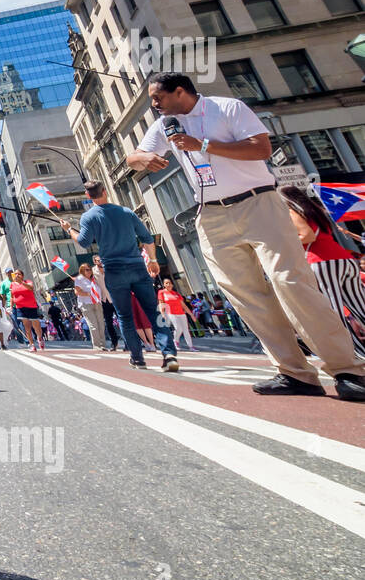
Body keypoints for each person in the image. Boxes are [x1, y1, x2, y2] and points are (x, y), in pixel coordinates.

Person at [129, 72, 365, 400]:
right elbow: (131, 158)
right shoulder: (164, 125)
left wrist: (204, 145)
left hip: (258, 202)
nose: (154, 105)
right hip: (210, 213)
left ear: (180, 91)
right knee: (246, 296)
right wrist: (144, 158)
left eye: (158, 98)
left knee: (290, 281)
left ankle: (347, 370)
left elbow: (261, 148)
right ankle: (295, 373)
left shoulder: (227, 108)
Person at [61, 181, 178, 371]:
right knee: (154, 312)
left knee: (125, 316)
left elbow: (83, 241)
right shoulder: (126, 212)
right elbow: (147, 238)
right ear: (105, 191)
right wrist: (153, 260)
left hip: (114, 271)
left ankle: (137, 357)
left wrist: (69, 229)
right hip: (137, 267)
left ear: (87, 195)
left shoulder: (88, 217)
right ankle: (169, 353)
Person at [282, 184, 365, 359]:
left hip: (321, 261)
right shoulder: (315, 210)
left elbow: (307, 235)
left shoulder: (292, 211)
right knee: (360, 306)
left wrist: (283, 244)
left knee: (334, 312)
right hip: (345, 259)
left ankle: (354, 354)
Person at [72, 263, 105, 351]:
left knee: (101, 324)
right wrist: (88, 294)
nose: (89, 271)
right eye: (87, 269)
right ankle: (97, 345)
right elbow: (77, 292)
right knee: (93, 324)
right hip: (86, 304)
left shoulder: (93, 278)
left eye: (90, 269)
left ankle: (103, 344)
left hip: (97, 303)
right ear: (82, 271)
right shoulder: (79, 279)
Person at [9, 270, 45, 352]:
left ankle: (40, 338)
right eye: (15, 274)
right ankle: (32, 344)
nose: (17, 275)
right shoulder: (12, 285)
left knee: (36, 326)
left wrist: (21, 282)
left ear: (22, 275)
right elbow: (12, 296)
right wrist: (11, 306)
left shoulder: (27, 282)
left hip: (31, 306)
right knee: (27, 327)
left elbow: (31, 288)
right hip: (20, 307)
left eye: (19, 274)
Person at [158, 277, 195, 352]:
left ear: (172, 284)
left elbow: (184, 305)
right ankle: (176, 341)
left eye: (170, 283)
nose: (168, 284)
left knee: (186, 330)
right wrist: (162, 314)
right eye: (166, 283)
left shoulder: (176, 294)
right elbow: (161, 304)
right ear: (164, 285)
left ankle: (191, 346)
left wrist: (191, 314)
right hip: (171, 313)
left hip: (181, 313)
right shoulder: (161, 292)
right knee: (178, 328)